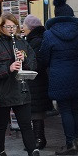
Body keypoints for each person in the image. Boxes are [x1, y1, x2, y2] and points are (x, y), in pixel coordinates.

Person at [0, 14, 51, 156]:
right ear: (1, 28)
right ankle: (0, 155)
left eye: (14, 27)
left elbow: (34, 64)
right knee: (1, 125)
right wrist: (8, 68)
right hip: (2, 91)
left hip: (21, 88)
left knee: (26, 125)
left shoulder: (22, 43)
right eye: (8, 27)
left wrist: (24, 59)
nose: (12, 30)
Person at [40, 0, 78, 155]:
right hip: (77, 73)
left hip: (59, 74)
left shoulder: (49, 34)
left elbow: (45, 58)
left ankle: (70, 143)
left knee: (65, 109)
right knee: (75, 108)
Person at [22, 14, 50, 149]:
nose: (22, 27)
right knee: (34, 110)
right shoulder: (34, 39)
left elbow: (37, 63)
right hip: (35, 80)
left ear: (31, 27)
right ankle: (37, 138)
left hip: (36, 80)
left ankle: (39, 139)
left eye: (25, 25)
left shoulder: (36, 41)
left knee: (36, 111)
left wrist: (24, 60)